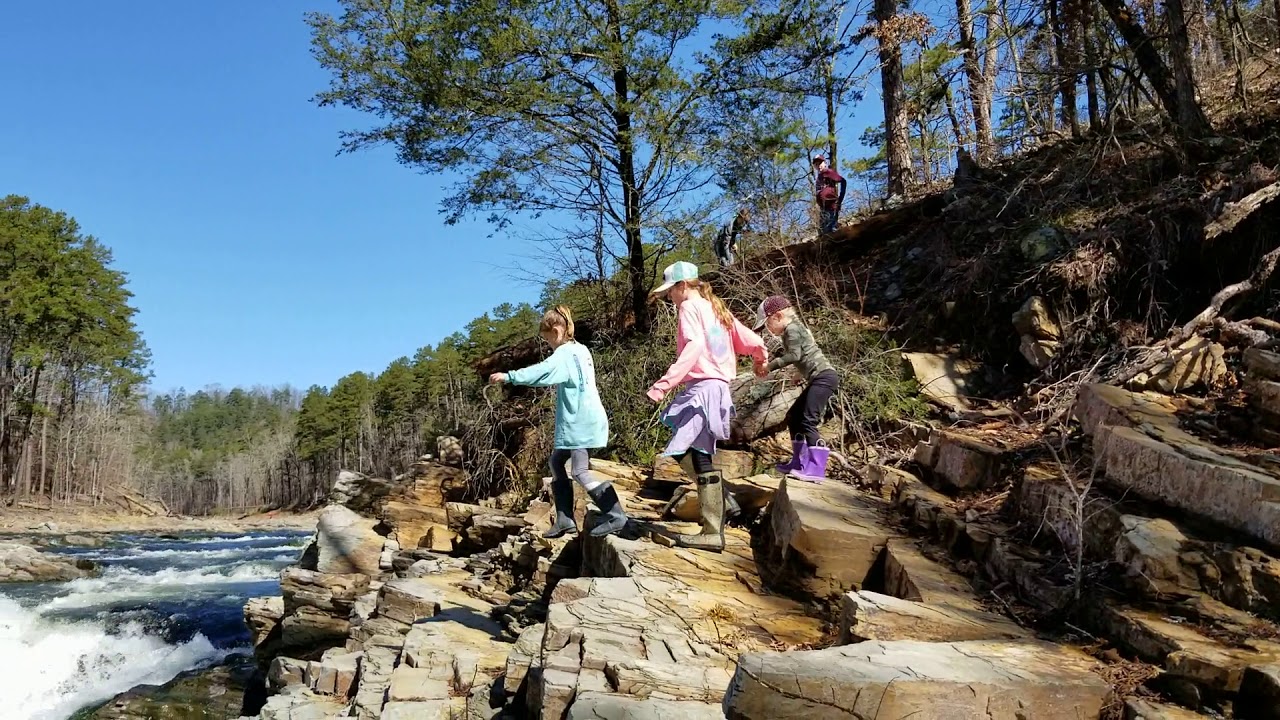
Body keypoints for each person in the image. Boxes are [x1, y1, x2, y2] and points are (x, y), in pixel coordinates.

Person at [646, 261, 768, 552]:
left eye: (670, 292)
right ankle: (723, 504)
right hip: (718, 389)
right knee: (690, 451)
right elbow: (752, 340)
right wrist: (760, 359)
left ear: (682, 285)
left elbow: (694, 346)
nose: (669, 298)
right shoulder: (716, 308)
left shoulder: (689, 307)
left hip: (703, 389)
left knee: (689, 452)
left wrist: (664, 384)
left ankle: (714, 528)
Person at [489, 306, 628, 538]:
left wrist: (509, 376)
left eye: (547, 339)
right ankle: (565, 520)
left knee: (580, 471)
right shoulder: (581, 350)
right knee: (556, 461)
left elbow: (541, 372)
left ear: (556, 331)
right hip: (585, 417)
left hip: (579, 420)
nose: (548, 345)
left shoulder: (563, 354)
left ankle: (615, 514)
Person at [754, 295, 839, 482]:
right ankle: (798, 461)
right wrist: (800, 373)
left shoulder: (792, 329)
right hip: (819, 377)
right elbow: (808, 351)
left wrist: (769, 366)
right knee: (793, 417)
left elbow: (795, 354)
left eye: (767, 324)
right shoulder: (792, 329)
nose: (768, 329)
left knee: (808, 421)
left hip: (824, 378)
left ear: (777, 316)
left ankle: (816, 468)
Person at [812, 155, 846, 235]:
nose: (818, 165)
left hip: (832, 206)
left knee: (831, 230)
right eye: (816, 164)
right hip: (824, 208)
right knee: (823, 232)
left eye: (820, 163)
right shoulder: (819, 178)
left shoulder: (828, 172)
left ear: (825, 163)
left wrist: (840, 198)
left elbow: (843, 181)